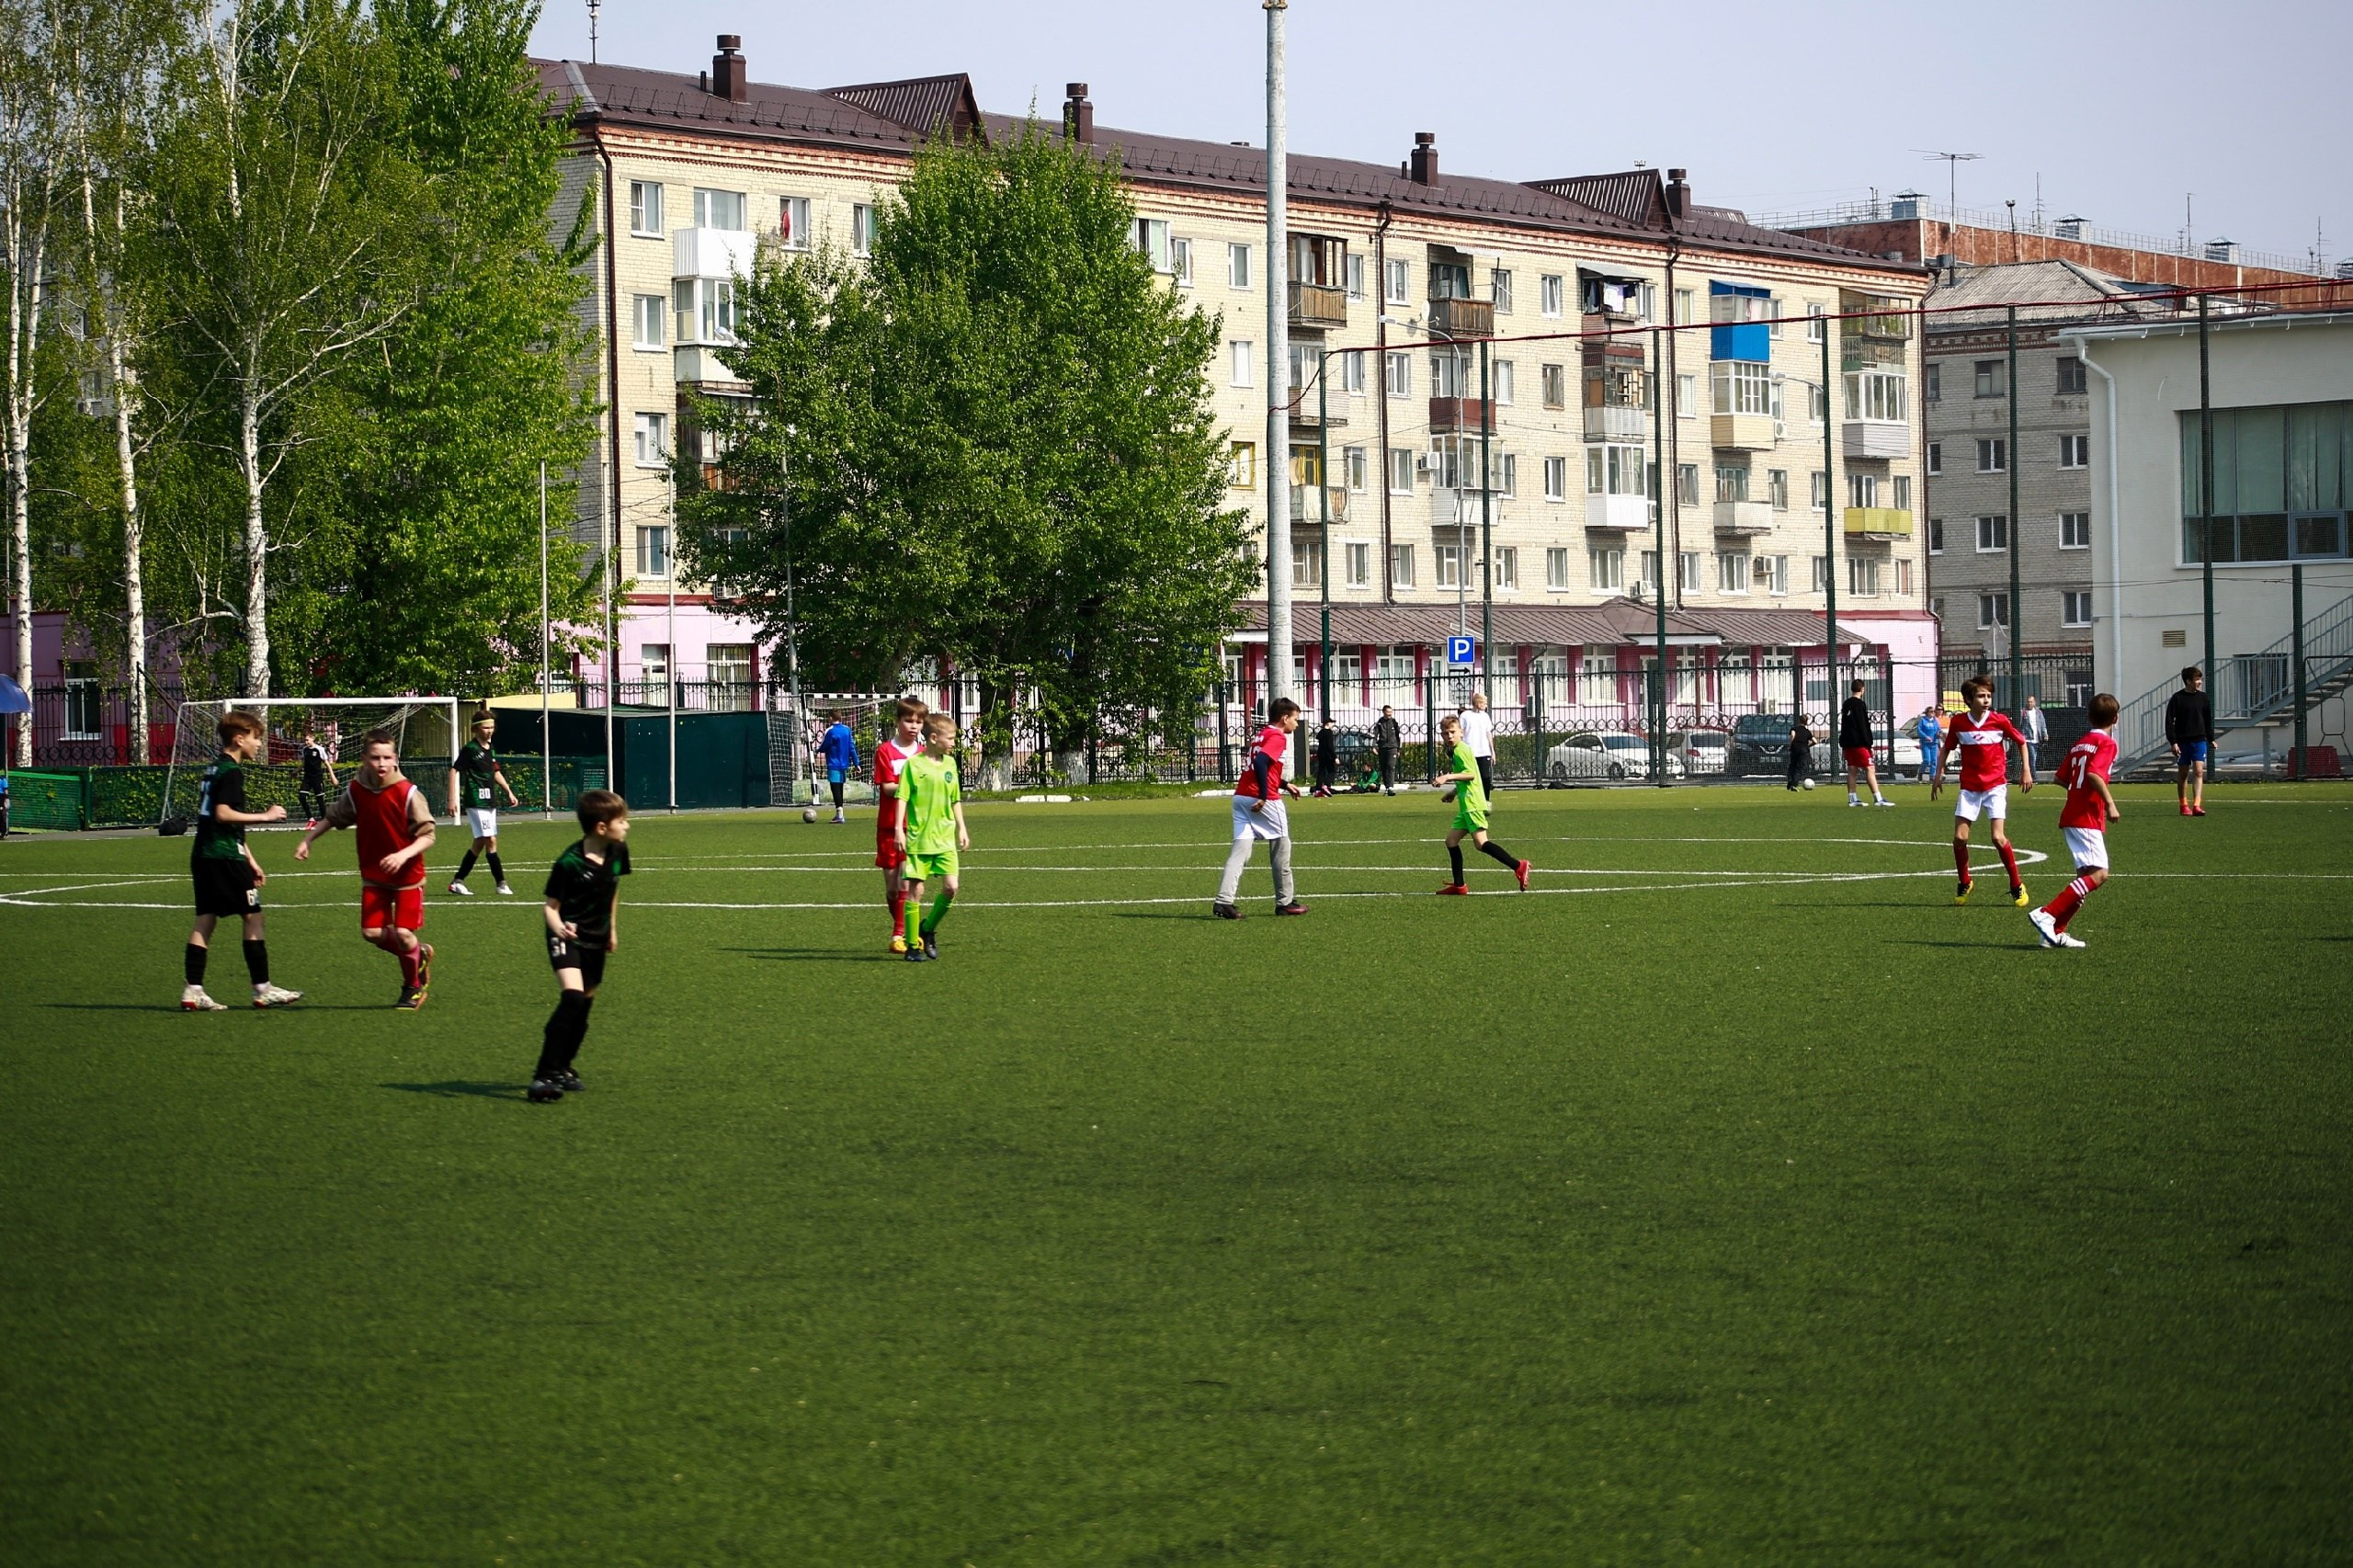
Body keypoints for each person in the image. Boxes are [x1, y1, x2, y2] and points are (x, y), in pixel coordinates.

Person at [295, 726, 438, 1008]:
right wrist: (308, 839)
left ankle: (412, 987)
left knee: (403, 933)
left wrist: (403, 855)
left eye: (387, 757)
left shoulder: (408, 793)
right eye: (375, 758)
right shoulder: (356, 790)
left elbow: (428, 835)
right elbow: (334, 817)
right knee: (371, 933)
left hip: (408, 876)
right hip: (374, 875)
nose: (381, 763)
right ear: (364, 759)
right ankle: (417, 953)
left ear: (395, 759)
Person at [181, 710, 303, 1011]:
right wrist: (267, 816)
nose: (259, 744)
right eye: (256, 738)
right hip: (223, 856)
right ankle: (262, 989)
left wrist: (250, 859)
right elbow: (223, 814)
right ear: (239, 739)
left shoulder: (214, 768)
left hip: (205, 854)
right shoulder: (232, 771)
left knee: (206, 919)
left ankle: (192, 990)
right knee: (254, 917)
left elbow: (218, 821)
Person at [528, 789, 631, 1103]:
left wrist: (612, 929)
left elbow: (612, 889)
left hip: (597, 938)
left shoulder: (618, 851)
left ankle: (564, 1067)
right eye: (622, 821)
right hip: (566, 936)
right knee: (572, 997)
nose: (627, 826)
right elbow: (550, 908)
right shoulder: (569, 863)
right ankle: (543, 1075)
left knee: (583, 1007)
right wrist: (559, 928)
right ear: (601, 827)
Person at [2029, 693, 2121, 950]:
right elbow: (2093, 774)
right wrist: (2110, 803)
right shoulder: (2107, 744)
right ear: (2115, 719)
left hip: (2072, 814)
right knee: (2100, 874)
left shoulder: (2081, 744)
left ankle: (2054, 933)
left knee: (2084, 878)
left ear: (2089, 717)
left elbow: (2060, 778)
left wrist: (2078, 790)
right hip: (2086, 817)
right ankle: (2046, 914)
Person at [1931, 676, 2033, 905]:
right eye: (1981, 696)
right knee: (1959, 838)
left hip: (1995, 786)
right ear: (1968, 699)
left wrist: (2026, 770)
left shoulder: (1999, 721)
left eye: (1988, 696)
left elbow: (2021, 741)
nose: (1986, 700)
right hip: (1970, 787)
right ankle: (1965, 881)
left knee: (1997, 837)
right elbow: (1946, 748)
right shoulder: (1959, 723)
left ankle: (2016, 885)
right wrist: (1937, 775)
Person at [1213, 698, 1307, 920]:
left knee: (1240, 852)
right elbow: (1262, 763)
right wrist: (1264, 796)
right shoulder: (1277, 736)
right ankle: (1285, 902)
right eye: (1295, 719)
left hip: (1241, 797)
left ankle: (1224, 901)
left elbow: (1262, 766)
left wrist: (1284, 784)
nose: (1297, 724)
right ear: (1284, 718)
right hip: (1262, 799)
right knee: (1281, 847)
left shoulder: (1261, 734)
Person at [895, 713, 969, 961]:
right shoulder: (914, 766)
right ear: (934, 738)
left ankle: (927, 929)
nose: (954, 743)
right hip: (920, 839)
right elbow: (902, 798)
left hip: (945, 839)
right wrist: (898, 830)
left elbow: (955, 799)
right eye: (951, 738)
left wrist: (962, 828)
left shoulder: (950, 765)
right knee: (916, 891)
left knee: (951, 888)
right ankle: (911, 947)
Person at [1434, 712, 1530, 894]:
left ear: (1461, 732)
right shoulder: (1458, 750)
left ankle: (1518, 865)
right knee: (1451, 841)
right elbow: (1472, 776)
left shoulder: (1461, 750)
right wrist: (1453, 792)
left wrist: (1447, 777)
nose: (1450, 736)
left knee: (1481, 843)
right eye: (1446, 733)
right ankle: (1459, 886)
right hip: (1466, 804)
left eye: (1453, 732)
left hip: (1473, 804)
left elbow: (1470, 774)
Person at [871, 697, 926, 952]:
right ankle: (905, 928)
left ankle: (899, 935)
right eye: (909, 721)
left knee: (906, 883)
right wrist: (911, 785)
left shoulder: (924, 754)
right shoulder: (885, 751)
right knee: (893, 889)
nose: (914, 726)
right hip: (888, 827)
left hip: (914, 828)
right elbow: (887, 788)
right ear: (897, 721)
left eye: (919, 722)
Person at [446, 710, 520, 897]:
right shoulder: (470, 749)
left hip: (489, 800)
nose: (490, 731)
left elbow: (495, 772)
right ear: (475, 729)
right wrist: (452, 799)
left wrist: (508, 791)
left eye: (492, 727)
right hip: (476, 800)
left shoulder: (490, 748)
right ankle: (501, 883)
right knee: (491, 840)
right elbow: (454, 770)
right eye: (486, 727)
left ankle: (457, 881)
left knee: (480, 842)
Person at [2165, 665, 2213, 816]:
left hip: (2199, 740)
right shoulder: (2177, 698)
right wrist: (2173, 742)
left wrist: (2211, 738)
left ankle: (2197, 805)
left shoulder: (2203, 698)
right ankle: (2183, 805)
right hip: (2183, 742)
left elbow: (2208, 720)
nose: (2200, 682)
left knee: (2198, 771)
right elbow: (2169, 721)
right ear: (2188, 681)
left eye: (2200, 679)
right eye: (2197, 679)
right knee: (2184, 773)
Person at [1839, 680, 1891, 807]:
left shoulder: (1846, 704)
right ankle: (1878, 798)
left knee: (1852, 770)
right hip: (1859, 744)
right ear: (1862, 689)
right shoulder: (1860, 704)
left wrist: (1843, 743)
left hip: (1848, 743)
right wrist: (1869, 743)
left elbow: (1844, 725)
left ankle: (1852, 798)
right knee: (1870, 768)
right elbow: (1863, 725)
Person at [818, 713, 859, 824]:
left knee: (835, 787)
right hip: (844, 764)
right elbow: (851, 747)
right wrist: (856, 763)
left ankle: (840, 815)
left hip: (834, 763)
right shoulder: (847, 730)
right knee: (839, 787)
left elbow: (824, 746)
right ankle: (839, 814)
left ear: (831, 718)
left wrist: (818, 750)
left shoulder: (830, 731)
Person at [1459, 690, 1497, 798]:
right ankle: (1472, 798)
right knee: (1471, 777)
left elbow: (1488, 733)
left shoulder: (1485, 716)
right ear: (1478, 704)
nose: (1486, 706)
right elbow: (1461, 733)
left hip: (1484, 752)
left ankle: (1486, 800)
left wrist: (1492, 752)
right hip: (1470, 752)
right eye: (1484, 703)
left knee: (1485, 777)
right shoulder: (1465, 716)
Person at [298, 724, 335, 828]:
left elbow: (327, 764)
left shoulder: (320, 749)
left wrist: (332, 776)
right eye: (305, 740)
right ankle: (311, 819)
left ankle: (325, 821)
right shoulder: (305, 750)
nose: (306, 742)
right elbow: (304, 763)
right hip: (307, 778)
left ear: (313, 738)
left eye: (307, 740)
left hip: (317, 778)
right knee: (302, 797)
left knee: (320, 800)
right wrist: (296, 771)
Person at [2019, 694, 2050, 782]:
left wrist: (2045, 734)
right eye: (2028, 702)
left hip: (2037, 739)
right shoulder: (2023, 712)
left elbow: (2042, 724)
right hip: (2028, 739)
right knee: (2032, 758)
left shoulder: (2039, 712)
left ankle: (2029, 776)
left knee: (2033, 759)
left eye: (2031, 702)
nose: (2029, 703)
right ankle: (2035, 777)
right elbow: (2020, 725)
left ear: (2034, 702)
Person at [1373, 704, 1402, 795]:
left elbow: (1398, 736)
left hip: (1392, 747)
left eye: (1391, 712)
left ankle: (1390, 787)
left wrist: (1398, 749)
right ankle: (1387, 787)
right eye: (1388, 712)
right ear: (1384, 712)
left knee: (1391, 766)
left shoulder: (1394, 722)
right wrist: (1374, 746)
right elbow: (1375, 735)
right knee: (1384, 767)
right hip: (1382, 747)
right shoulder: (1380, 723)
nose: (1390, 714)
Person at [1914, 703, 1944, 786]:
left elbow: (1939, 729)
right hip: (1925, 744)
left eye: (1934, 711)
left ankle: (1932, 777)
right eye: (1931, 711)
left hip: (1934, 743)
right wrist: (1926, 736)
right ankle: (1920, 773)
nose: (1933, 713)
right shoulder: (1923, 721)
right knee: (1927, 760)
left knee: (1934, 761)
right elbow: (1919, 730)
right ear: (1927, 712)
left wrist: (1939, 733)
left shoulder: (1935, 721)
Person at [1785, 713, 1815, 790]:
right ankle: (1794, 784)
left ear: (1799, 720)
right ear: (1806, 722)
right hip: (1803, 751)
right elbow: (1815, 741)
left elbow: (1793, 735)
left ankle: (1790, 780)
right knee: (1800, 767)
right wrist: (1807, 746)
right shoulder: (1807, 731)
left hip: (1795, 749)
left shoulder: (1794, 729)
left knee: (1792, 766)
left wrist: (1790, 745)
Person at [1312, 719, 1338, 798]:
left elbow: (1321, 744)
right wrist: (1335, 757)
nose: (1332, 724)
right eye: (1331, 722)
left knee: (1321, 772)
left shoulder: (1321, 732)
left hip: (1321, 754)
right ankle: (1326, 785)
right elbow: (1330, 746)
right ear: (1328, 723)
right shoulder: (1328, 732)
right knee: (1332, 771)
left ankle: (1318, 790)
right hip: (1328, 755)